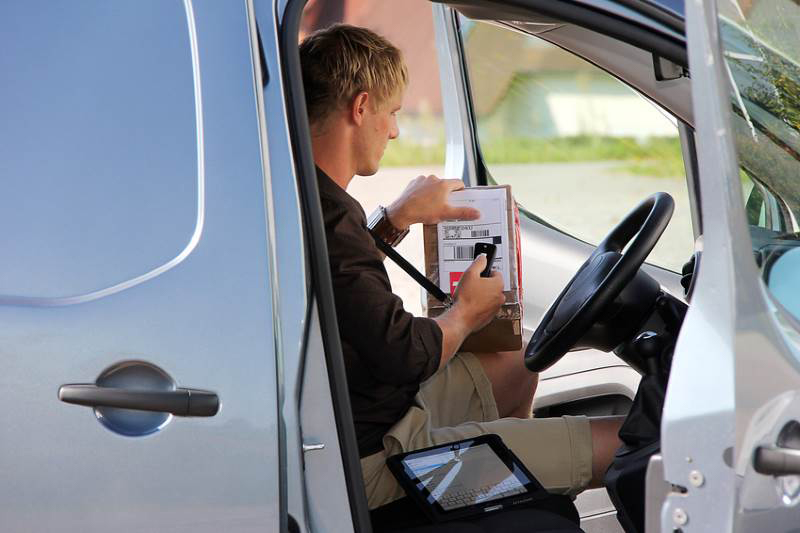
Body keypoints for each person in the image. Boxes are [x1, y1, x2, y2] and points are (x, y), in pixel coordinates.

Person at [299, 23, 624, 510]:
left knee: (517, 363)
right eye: (391, 113)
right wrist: (466, 313)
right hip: (375, 463)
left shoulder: (307, 197)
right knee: (624, 441)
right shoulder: (330, 218)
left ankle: (512, 496)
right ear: (360, 107)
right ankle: (506, 489)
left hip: (372, 415)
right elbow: (406, 354)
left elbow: (336, 280)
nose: (394, 130)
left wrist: (396, 218)